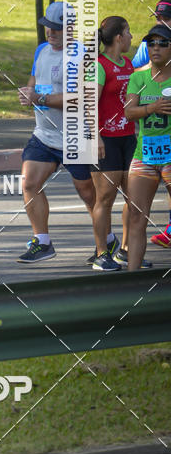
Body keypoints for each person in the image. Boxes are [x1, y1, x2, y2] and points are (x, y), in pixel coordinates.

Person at [17, 1, 96, 263]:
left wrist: (38, 99)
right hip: (44, 135)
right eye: (47, 27)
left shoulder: (81, 55)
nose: (50, 32)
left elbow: (78, 97)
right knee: (29, 183)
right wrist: (28, 93)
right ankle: (43, 242)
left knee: (87, 192)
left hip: (75, 135)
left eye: (57, 28)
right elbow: (35, 81)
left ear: (71, 29)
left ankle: (105, 241)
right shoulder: (42, 49)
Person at [89, 16, 135, 271]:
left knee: (134, 198)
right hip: (105, 141)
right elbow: (89, 105)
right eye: (128, 32)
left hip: (129, 138)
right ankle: (101, 254)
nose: (131, 37)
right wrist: (95, 137)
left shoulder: (127, 64)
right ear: (119, 37)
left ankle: (126, 251)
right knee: (105, 198)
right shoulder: (98, 65)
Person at [125, 24, 171, 271]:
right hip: (145, 154)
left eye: (163, 43)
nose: (156, 48)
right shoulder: (138, 77)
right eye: (151, 43)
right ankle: (131, 278)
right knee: (136, 216)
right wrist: (150, 108)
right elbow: (129, 112)